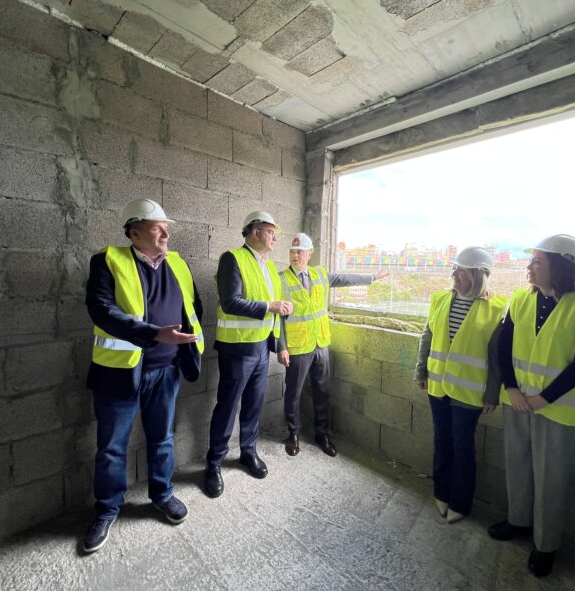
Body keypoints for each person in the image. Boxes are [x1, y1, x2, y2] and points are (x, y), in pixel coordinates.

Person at [83, 199, 204, 553]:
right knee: (111, 448)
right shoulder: (107, 261)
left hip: (166, 372)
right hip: (119, 373)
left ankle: (162, 494)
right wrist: (153, 333)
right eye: (157, 227)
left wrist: (182, 345)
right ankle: (107, 510)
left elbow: (194, 305)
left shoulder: (178, 263)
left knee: (163, 438)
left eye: (167, 226)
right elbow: (101, 310)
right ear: (134, 232)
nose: (166, 233)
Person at [487, 234, 575, 578]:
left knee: (551, 479)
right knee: (519, 467)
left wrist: (544, 398)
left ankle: (545, 545)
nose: (529, 267)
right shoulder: (520, 300)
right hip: (518, 402)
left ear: (560, 266)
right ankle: (519, 523)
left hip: (559, 409)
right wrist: (511, 388)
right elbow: (503, 347)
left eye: (537, 262)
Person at [204, 211, 293, 498]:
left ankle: (247, 452)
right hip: (237, 348)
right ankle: (214, 463)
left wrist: (279, 343)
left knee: (254, 405)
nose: (275, 237)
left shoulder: (268, 267)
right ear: (255, 232)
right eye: (271, 231)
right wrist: (271, 306)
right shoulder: (232, 258)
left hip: (261, 348)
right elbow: (231, 303)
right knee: (228, 406)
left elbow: (274, 310)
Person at [414, 247, 505, 524]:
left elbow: (496, 356)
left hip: (469, 392)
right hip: (437, 385)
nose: (454, 274)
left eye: (461, 271)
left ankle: (461, 502)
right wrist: (421, 369)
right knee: (442, 440)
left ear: (477, 275)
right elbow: (427, 336)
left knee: (463, 446)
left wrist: (492, 394)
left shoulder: (495, 308)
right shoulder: (441, 298)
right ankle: (441, 491)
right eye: (455, 269)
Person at [277, 233, 388, 457]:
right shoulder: (281, 279)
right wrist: (281, 346)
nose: (295, 255)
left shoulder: (319, 274)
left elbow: (344, 279)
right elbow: (277, 318)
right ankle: (294, 434)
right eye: (292, 251)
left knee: (322, 392)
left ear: (310, 254)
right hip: (297, 347)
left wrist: (372, 278)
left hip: (320, 345)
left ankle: (321, 434)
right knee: (293, 394)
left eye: (299, 251)